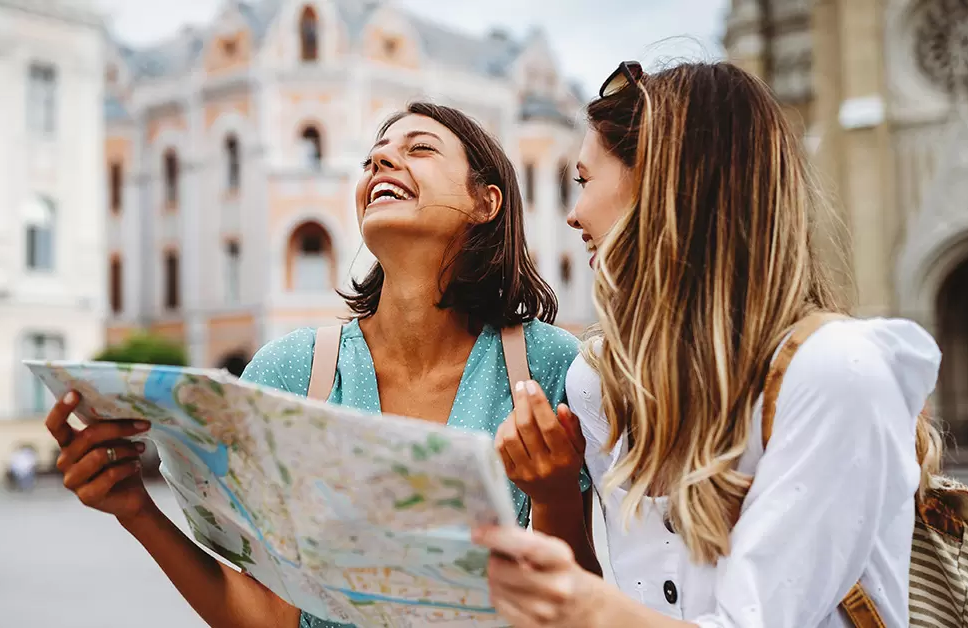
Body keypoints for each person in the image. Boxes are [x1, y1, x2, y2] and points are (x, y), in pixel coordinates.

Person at [45, 102, 597, 628]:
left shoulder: (548, 365)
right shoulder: (291, 370)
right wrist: (136, 509)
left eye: (420, 148)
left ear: (487, 203)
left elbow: (582, 604)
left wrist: (552, 499)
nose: (380, 161)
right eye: (373, 157)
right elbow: (270, 617)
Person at [473, 61, 943, 627]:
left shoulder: (833, 371)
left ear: (665, 185)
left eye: (585, 180)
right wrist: (552, 497)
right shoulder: (599, 381)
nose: (574, 214)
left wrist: (578, 605)